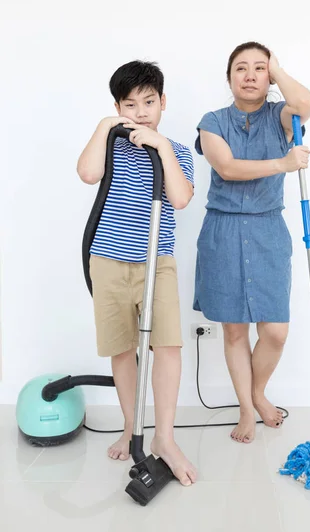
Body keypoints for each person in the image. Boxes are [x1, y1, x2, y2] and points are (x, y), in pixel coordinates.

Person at [77, 60, 197, 486]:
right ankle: (131, 426)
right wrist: (107, 125)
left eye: (149, 102)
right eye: (131, 105)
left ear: (163, 102)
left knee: (167, 346)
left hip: (156, 264)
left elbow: (180, 199)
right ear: (118, 107)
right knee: (122, 348)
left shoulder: (177, 151)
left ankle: (163, 436)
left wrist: (161, 147)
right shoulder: (111, 145)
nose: (142, 111)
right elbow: (88, 173)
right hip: (108, 260)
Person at [193, 41, 310, 444]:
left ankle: (257, 392)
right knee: (234, 333)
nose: (249, 75)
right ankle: (247, 408)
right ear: (229, 78)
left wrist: (278, 70)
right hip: (223, 232)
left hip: (267, 231)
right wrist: (284, 163)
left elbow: (306, 103)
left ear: (269, 77)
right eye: (240, 68)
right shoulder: (212, 121)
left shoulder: (282, 116)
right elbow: (226, 167)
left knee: (275, 330)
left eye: (258, 69)